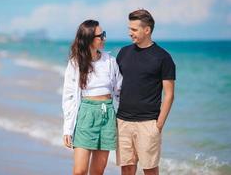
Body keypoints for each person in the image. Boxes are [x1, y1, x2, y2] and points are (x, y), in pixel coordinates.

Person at [116, 9, 176, 175]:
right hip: (123, 121)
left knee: (149, 169)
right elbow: (115, 84)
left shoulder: (163, 57)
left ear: (147, 30)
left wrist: (159, 125)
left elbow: (169, 95)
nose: (130, 33)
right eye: (129, 29)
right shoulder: (123, 53)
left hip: (148, 123)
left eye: (134, 29)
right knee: (127, 168)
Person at [62, 19, 122, 175]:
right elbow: (69, 97)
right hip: (86, 115)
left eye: (104, 35)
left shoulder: (110, 61)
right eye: (100, 36)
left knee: (97, 172)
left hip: (107, 116)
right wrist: (67, 128)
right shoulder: (75, 63)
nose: (104, 39)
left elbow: (119, 92)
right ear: (89, 38)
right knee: (79, 171)